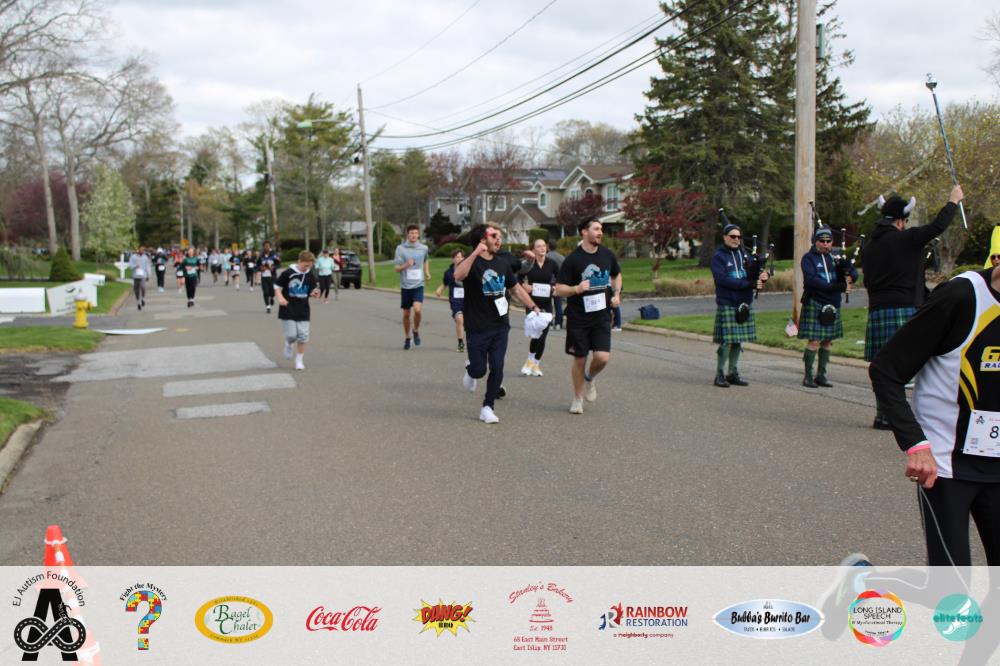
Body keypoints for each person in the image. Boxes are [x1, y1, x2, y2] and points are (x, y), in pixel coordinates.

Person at [869, 262, 1000, 566]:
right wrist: (916, 443)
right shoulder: (962, 297)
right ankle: (863, 581)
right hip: (946, 466)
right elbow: (886, 370)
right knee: (952, 586)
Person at [862, 185, 963, 429]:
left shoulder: (869, 245)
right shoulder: (905, 238)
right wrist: (953, 201)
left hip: (877, 309)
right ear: (900, 220)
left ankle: (883, 415)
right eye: (905, 221)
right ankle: (912, 417)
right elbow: (937, 227)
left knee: (883, 366)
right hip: (904, 306)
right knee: (910, 364)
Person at [455, 224, 542, 424]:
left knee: (497, 365)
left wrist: (533, 306)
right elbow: (458, 276)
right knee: (479, 370)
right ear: (482, 240)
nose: (498, 239)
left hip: (500, 325)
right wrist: (475, 253)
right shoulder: (472, 262)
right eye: (494, 235)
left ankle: (487, 407)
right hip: (477, 325)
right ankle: (471, 370)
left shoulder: (502, 263)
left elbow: (516, 289)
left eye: (500, 236)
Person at [555, 217, 622, 414]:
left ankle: (590, 378)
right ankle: (577, 399)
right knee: (580, 359)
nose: (600, 232)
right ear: (584, 232)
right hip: (579, 318)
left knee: (602, 358)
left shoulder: (607, 255)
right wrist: (576, 288)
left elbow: (617, 274)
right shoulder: (573, 260)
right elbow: (559, 289)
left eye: (601, 229)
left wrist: (617, 293)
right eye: (596, 229)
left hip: (602, 316)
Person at [709, 222, 769, 388]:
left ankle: (732, 373)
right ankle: (719, 374)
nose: (736, 239)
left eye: (739, 237)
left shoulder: (744, 254)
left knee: (738, 340)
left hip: (744, 302)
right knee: (727, 341)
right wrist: (748, 284)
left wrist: (763, 276)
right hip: (728, 302)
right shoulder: (718, 257)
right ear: (725, 237)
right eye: (733, 236)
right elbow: (722, 280)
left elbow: (753, 273)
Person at [798, 226, 857, 388]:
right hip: (815, 302)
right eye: (822, 241)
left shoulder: (836, 257)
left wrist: (850, 274)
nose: (825, 244)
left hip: (833, 303)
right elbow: (812, 281)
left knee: (827, 341)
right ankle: (808, 376)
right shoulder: (808, 258)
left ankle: (821, 376)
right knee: (814, 341)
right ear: (815, 241)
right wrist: (836, 287)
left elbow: (853, 274)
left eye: (828, 241)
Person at [275, 250, 320, 371]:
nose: (307, 268)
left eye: (309, 266)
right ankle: (288, 343)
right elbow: (277, 286)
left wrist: (314, 293)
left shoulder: (309, 274)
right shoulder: (288, 273)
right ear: (299, 261)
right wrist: (280, 298)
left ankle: (299, 360)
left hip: (303, 309)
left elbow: (312, 289)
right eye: (305, 265)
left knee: (303, 336)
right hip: (288, 308)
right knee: (291, 335)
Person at [520, 238, 558, 377]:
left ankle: (535, 364)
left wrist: (554, 287)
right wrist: (524, 286)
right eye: (538, 246)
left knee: (544, 335)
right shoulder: (529, 264)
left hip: (547, 302)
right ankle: (530, 360)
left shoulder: (552, 263)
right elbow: (516, 280)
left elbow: (560, 280)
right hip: (532, 302)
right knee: (536, 333)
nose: (542, 248)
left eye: (543, 246)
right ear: (533, 249)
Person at [394, 225, 430, 349]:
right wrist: (406, 265)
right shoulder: (400, 249)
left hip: (418, 284)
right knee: (406, 314)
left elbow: (425, 260)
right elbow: (396, 269)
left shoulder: (424, 248)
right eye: (411, 233)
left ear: (418, 234)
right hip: (405, 286)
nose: (414, 235)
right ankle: (407, 337)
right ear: (407, 235)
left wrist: (427, 272)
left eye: (416, 233)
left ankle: (415, 330)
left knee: (418, 310)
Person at [434, 248, 466, 353]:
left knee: (468, 323)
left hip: (468, 300)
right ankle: (461, 343)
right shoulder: (448, 273)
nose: (459, 259)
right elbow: (445, 283)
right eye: (457, 257)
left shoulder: (468, 270)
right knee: (459, 319)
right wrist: (440, 289)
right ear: (453, 259)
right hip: (456, 301)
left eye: (461, 257)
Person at [546, 240, 565, 329]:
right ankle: (558, 323)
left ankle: (549, 323)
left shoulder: (546, 257)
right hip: (558, 283)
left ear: (548, 246)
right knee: (558, 303)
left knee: (548, 304)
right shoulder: (562, 258)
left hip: (547, 283)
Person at [128, 246, 151, 311]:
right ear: (138, 250)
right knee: (136, 289)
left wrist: (148, 275)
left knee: (143, 287)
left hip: (143, 275)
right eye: (141, 250)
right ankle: (138, 302)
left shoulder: (145, 257)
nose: (142, 251)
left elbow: (148, 266)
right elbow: (130, 266)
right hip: (136, 275)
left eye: (143, 250)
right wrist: (135, 266)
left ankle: (142, 298)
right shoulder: (133, 257)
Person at [259, 242, 280, 313]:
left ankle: (271, 298)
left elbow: (278, 264)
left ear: (270, 247)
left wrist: (273, 267)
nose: (266, 247)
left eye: (268, 246)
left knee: (272, 292)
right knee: (266, 292)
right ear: (263, 247)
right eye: (265, 246)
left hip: (272, 277)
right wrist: (261, 268)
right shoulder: (261, 256)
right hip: (264, 277)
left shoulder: (274, 255)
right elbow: (257, 265)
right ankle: (268, 306)